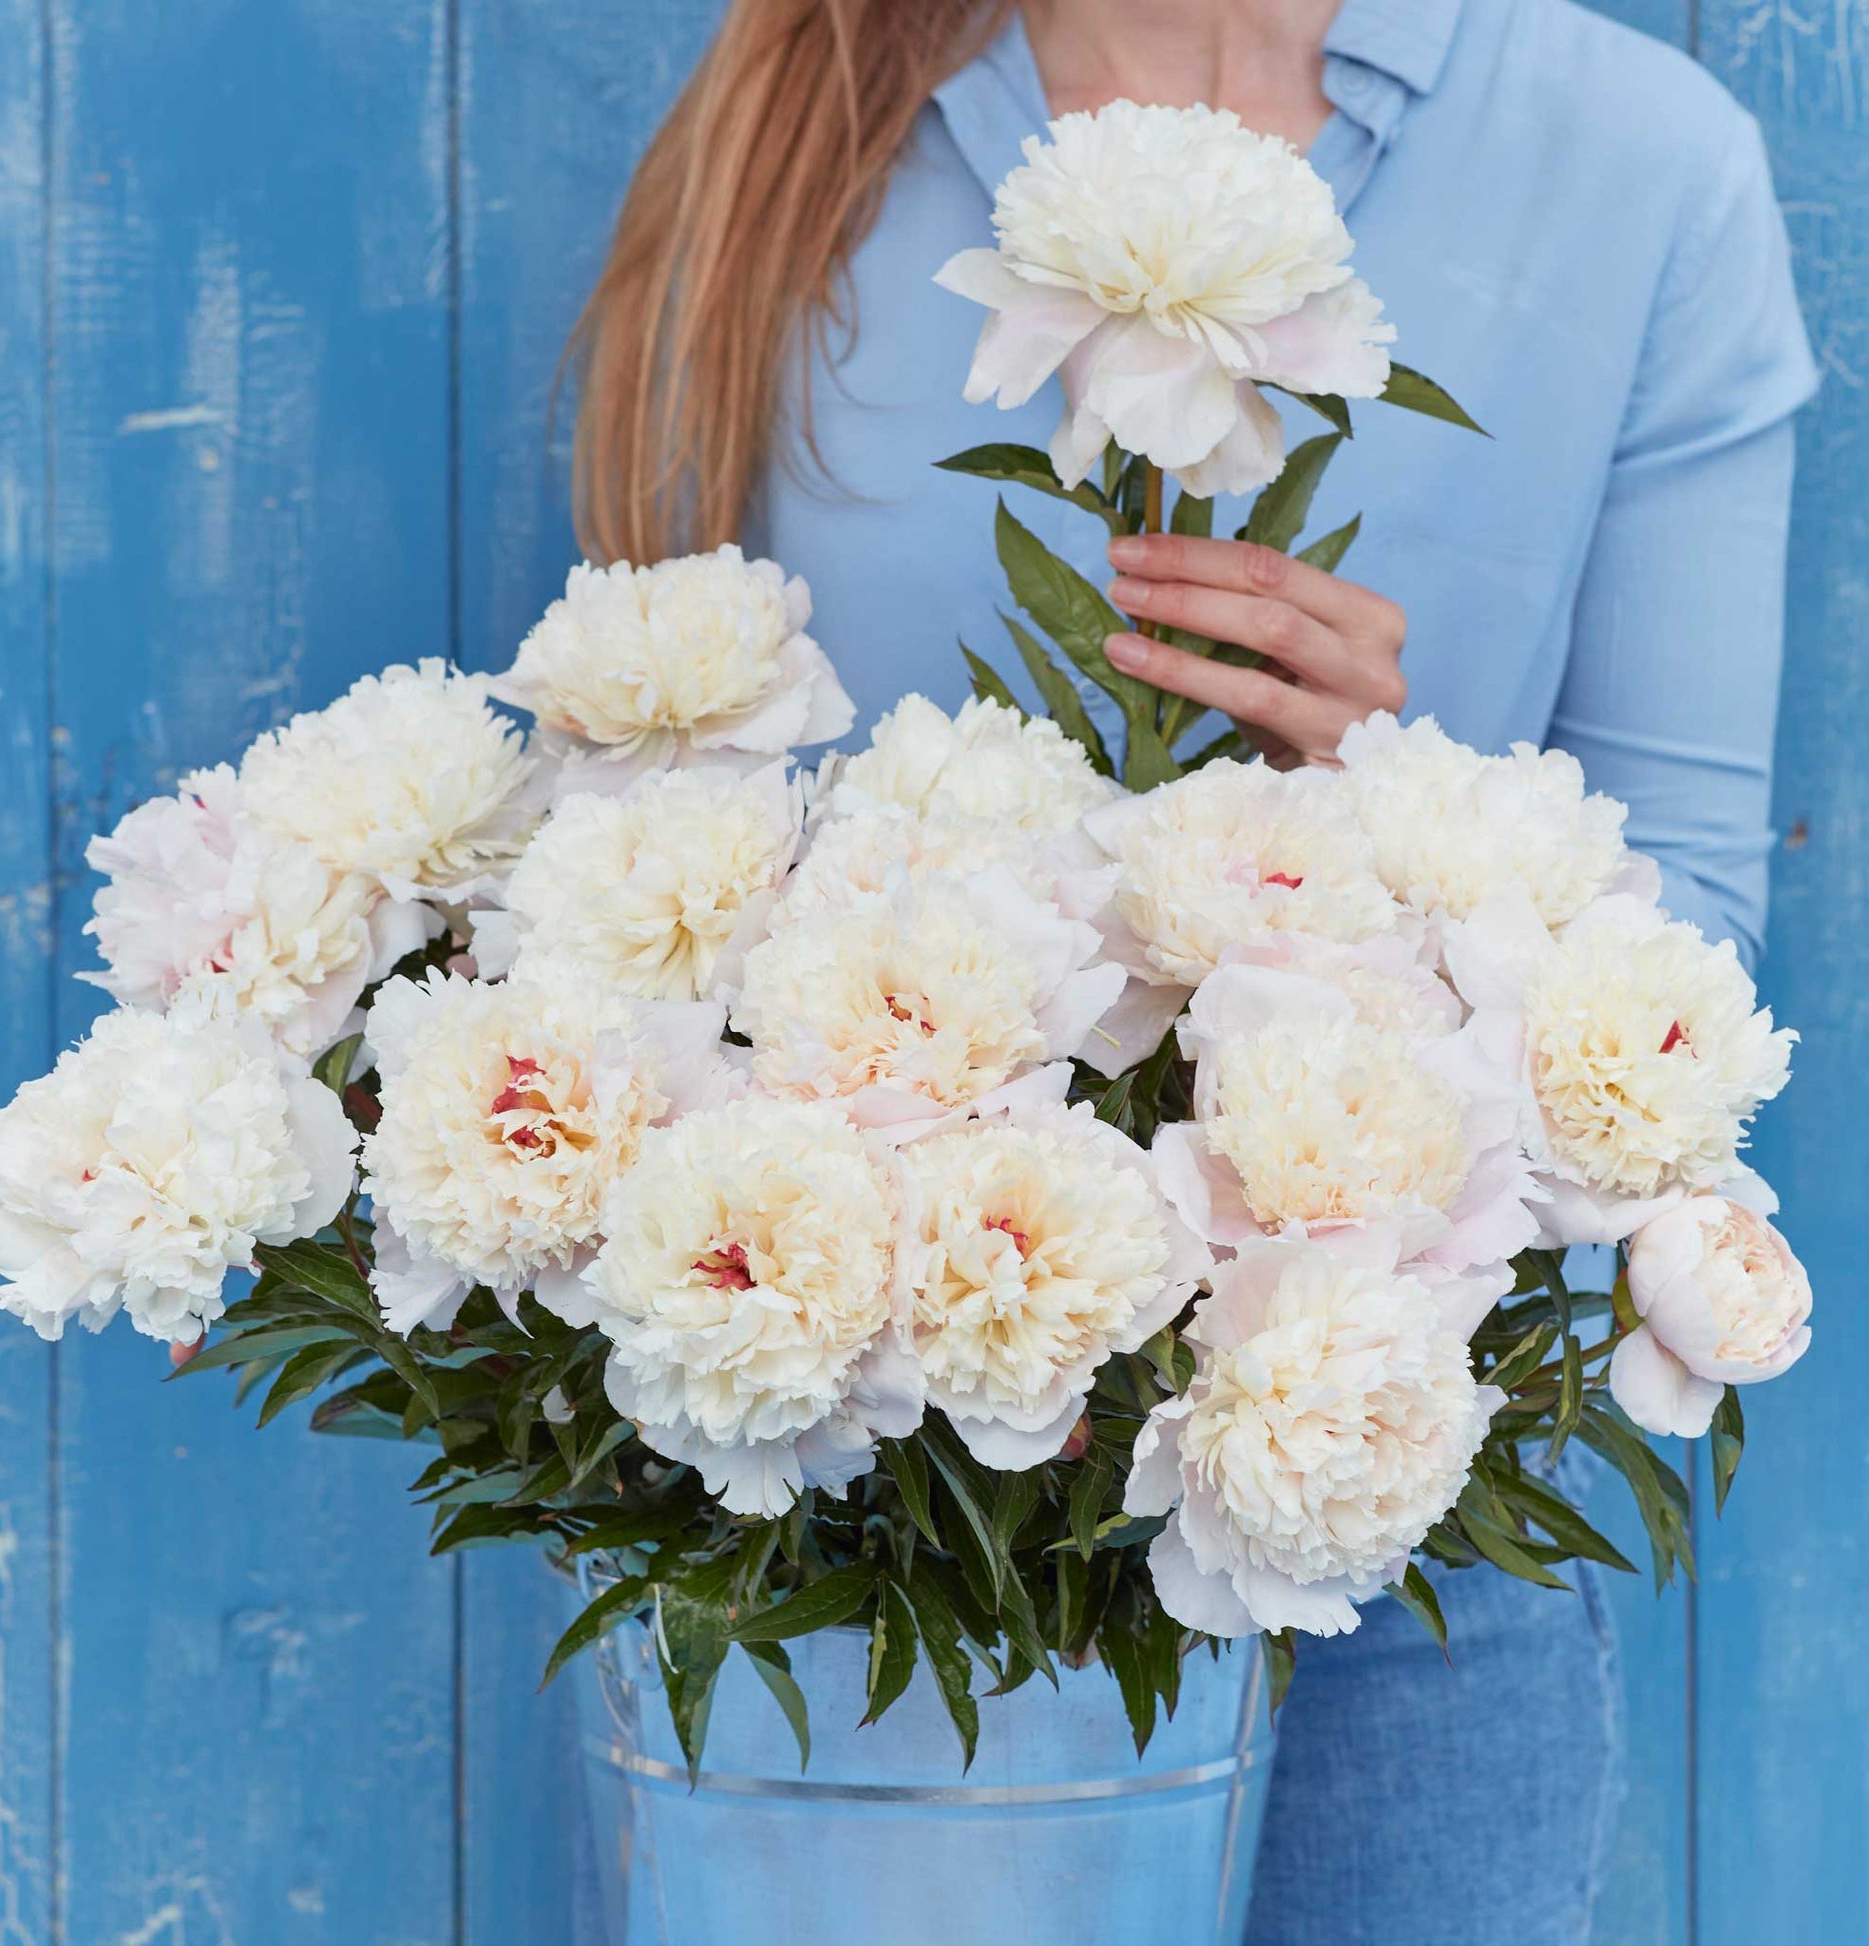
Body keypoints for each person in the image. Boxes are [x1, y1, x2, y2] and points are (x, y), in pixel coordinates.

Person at [571, 2, 1817, 1939]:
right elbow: (633, 848)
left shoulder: (1641, 165)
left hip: (1387, 1511)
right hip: (867, 1533)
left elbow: (1696, 951)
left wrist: (1383, 812)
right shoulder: (803, 117)